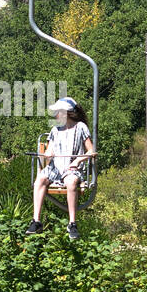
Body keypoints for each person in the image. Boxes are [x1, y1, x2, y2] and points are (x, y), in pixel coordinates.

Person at [27, 96, 95, 240]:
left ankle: (72, 223)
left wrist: (77, 161)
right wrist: (48, 154)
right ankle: (36, 221)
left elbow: (91, 151)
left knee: (70, 182)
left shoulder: (80, 127)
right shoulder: (55, 130)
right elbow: (49, 151)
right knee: (40, 179)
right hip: (55, 168)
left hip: (71, 168)